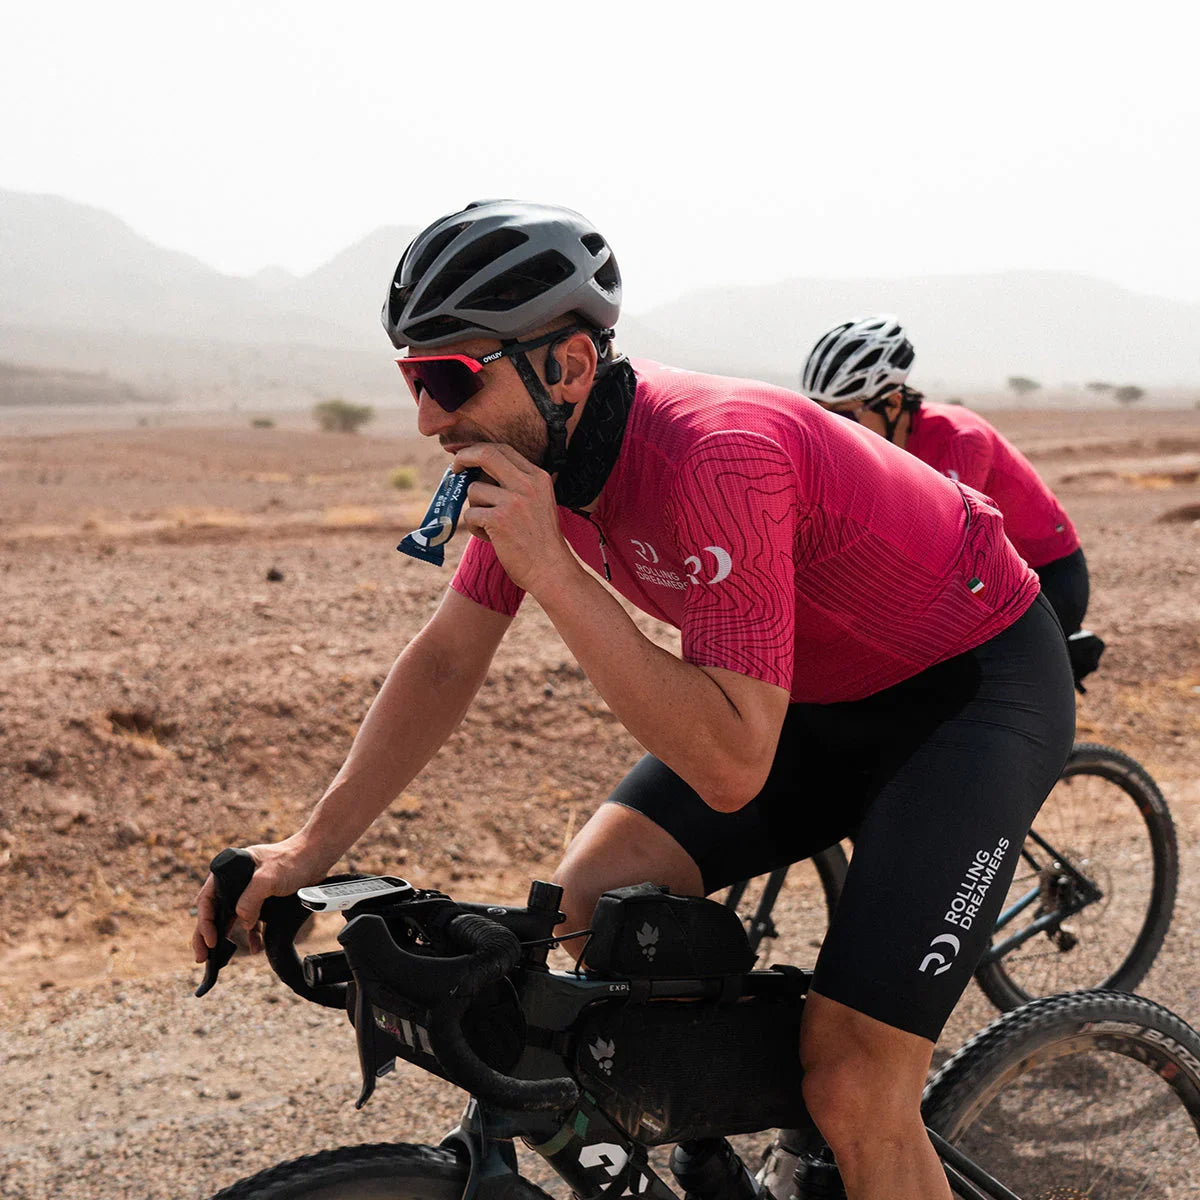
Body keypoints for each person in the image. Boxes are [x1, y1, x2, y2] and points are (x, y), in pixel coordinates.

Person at [192, 202, 1075, 1200]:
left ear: (566, 367)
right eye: (411, 377)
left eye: (447, 378)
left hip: (966, 696)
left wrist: (557, 573)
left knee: (856, 1081)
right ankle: (711, 1153)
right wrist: (306, 851)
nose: (428, 418)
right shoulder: (541, 456)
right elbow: (446, 659)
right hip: (810, 704)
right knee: (575, 914)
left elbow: (733, 768)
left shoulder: (715, 457)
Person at [801, 314, 1090, 636]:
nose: (832, 427)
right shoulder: (879, 441)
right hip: (988, 576)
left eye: (843, 414)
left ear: (893, 403)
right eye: (820, 413)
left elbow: (948, 545)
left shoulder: (959, 438)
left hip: (1045, 573)